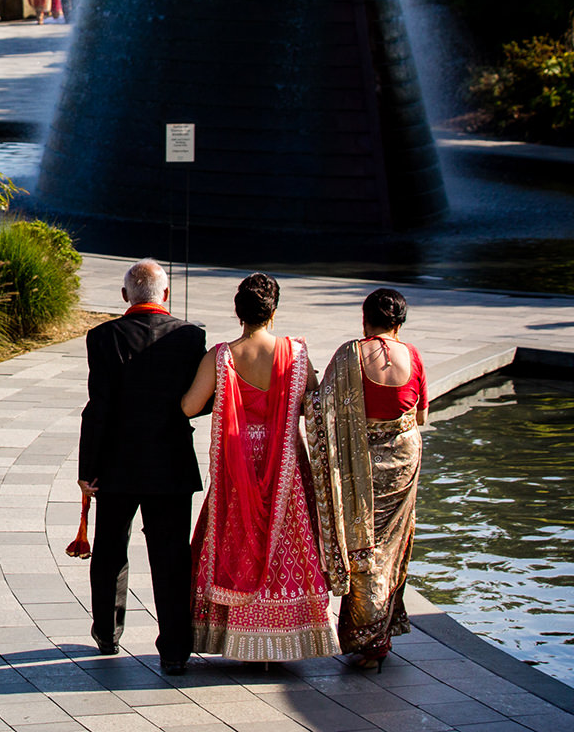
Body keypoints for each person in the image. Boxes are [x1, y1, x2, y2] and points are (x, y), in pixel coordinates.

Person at [182, 274, 337, 663]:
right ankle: (283, 640)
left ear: (239, 314)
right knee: (288, 542)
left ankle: (234, 635)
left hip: (238, 463)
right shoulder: (297, 354)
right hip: (284, 461)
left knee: (238, 541)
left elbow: (188, 407)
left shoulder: (221, 356)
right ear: (274, 311)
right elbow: (312, 402)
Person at [79, 259, 208, 674]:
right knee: (172, 556)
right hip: (170, 464)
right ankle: (173, 649)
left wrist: (87, 469)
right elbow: (199, 401)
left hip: (116, 463)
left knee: (110, 548)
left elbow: (97, 408)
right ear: (165, 295)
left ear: (124, 297)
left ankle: (107, 633)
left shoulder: (102, 337)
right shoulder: (191, 337)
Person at [307, 288, 428, 670]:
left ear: (365, 320)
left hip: (360, 465)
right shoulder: (414, 356)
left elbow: (318, 406)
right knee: (392, 547)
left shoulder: (349, 355)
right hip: (404, 460)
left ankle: (367, 639)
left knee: (362, 545)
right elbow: (421, 416)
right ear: (400, 322)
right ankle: (384, 630)